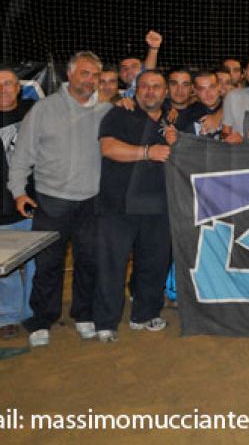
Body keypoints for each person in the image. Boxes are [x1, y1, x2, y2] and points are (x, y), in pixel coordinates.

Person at [8, 52, 111, 347]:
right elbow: (21, 156)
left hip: (91, 203)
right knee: (48, 265)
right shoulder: (43, 109)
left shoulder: (106, 111)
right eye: (85, 74)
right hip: (51, 202)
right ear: (70, 74)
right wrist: (18, 192)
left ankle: (84, 315)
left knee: (88, 262)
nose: (90, 80)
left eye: (95, 75)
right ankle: (42, 320)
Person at [93, 70, 174, 343]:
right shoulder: (119, 113)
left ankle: (145, 313)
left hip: (159, 205)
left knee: (154, 263)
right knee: (111, 264)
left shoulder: (173, 120)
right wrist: (147, 152)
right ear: (135, 91)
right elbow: (108, 148)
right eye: (145, 86)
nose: (150, 91)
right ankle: (105, 321)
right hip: (118, 205)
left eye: (156, 86)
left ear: (165, 92)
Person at [0, 66, 36, 340]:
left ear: (18, 87)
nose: (3, 89)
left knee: (39, 261)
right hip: (1, 208)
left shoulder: (36, 113)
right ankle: (8, 315)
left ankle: (33, 312)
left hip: (34, 202)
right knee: (5, 266)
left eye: (8, 83)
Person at [175, 70, 224, 139]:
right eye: (202, 89)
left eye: (212, 87)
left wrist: (219, 114)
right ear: (194, 90)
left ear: (219, 86)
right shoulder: (187, 116)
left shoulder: (233, 105)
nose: (208, 93)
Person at [119, 30, 162, 98]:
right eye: (124, 68)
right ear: (119, 74)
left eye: (134, 66)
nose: (129, 71)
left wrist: (153, 49)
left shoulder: (149, 92)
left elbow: (148, 71)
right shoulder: (118, 96)